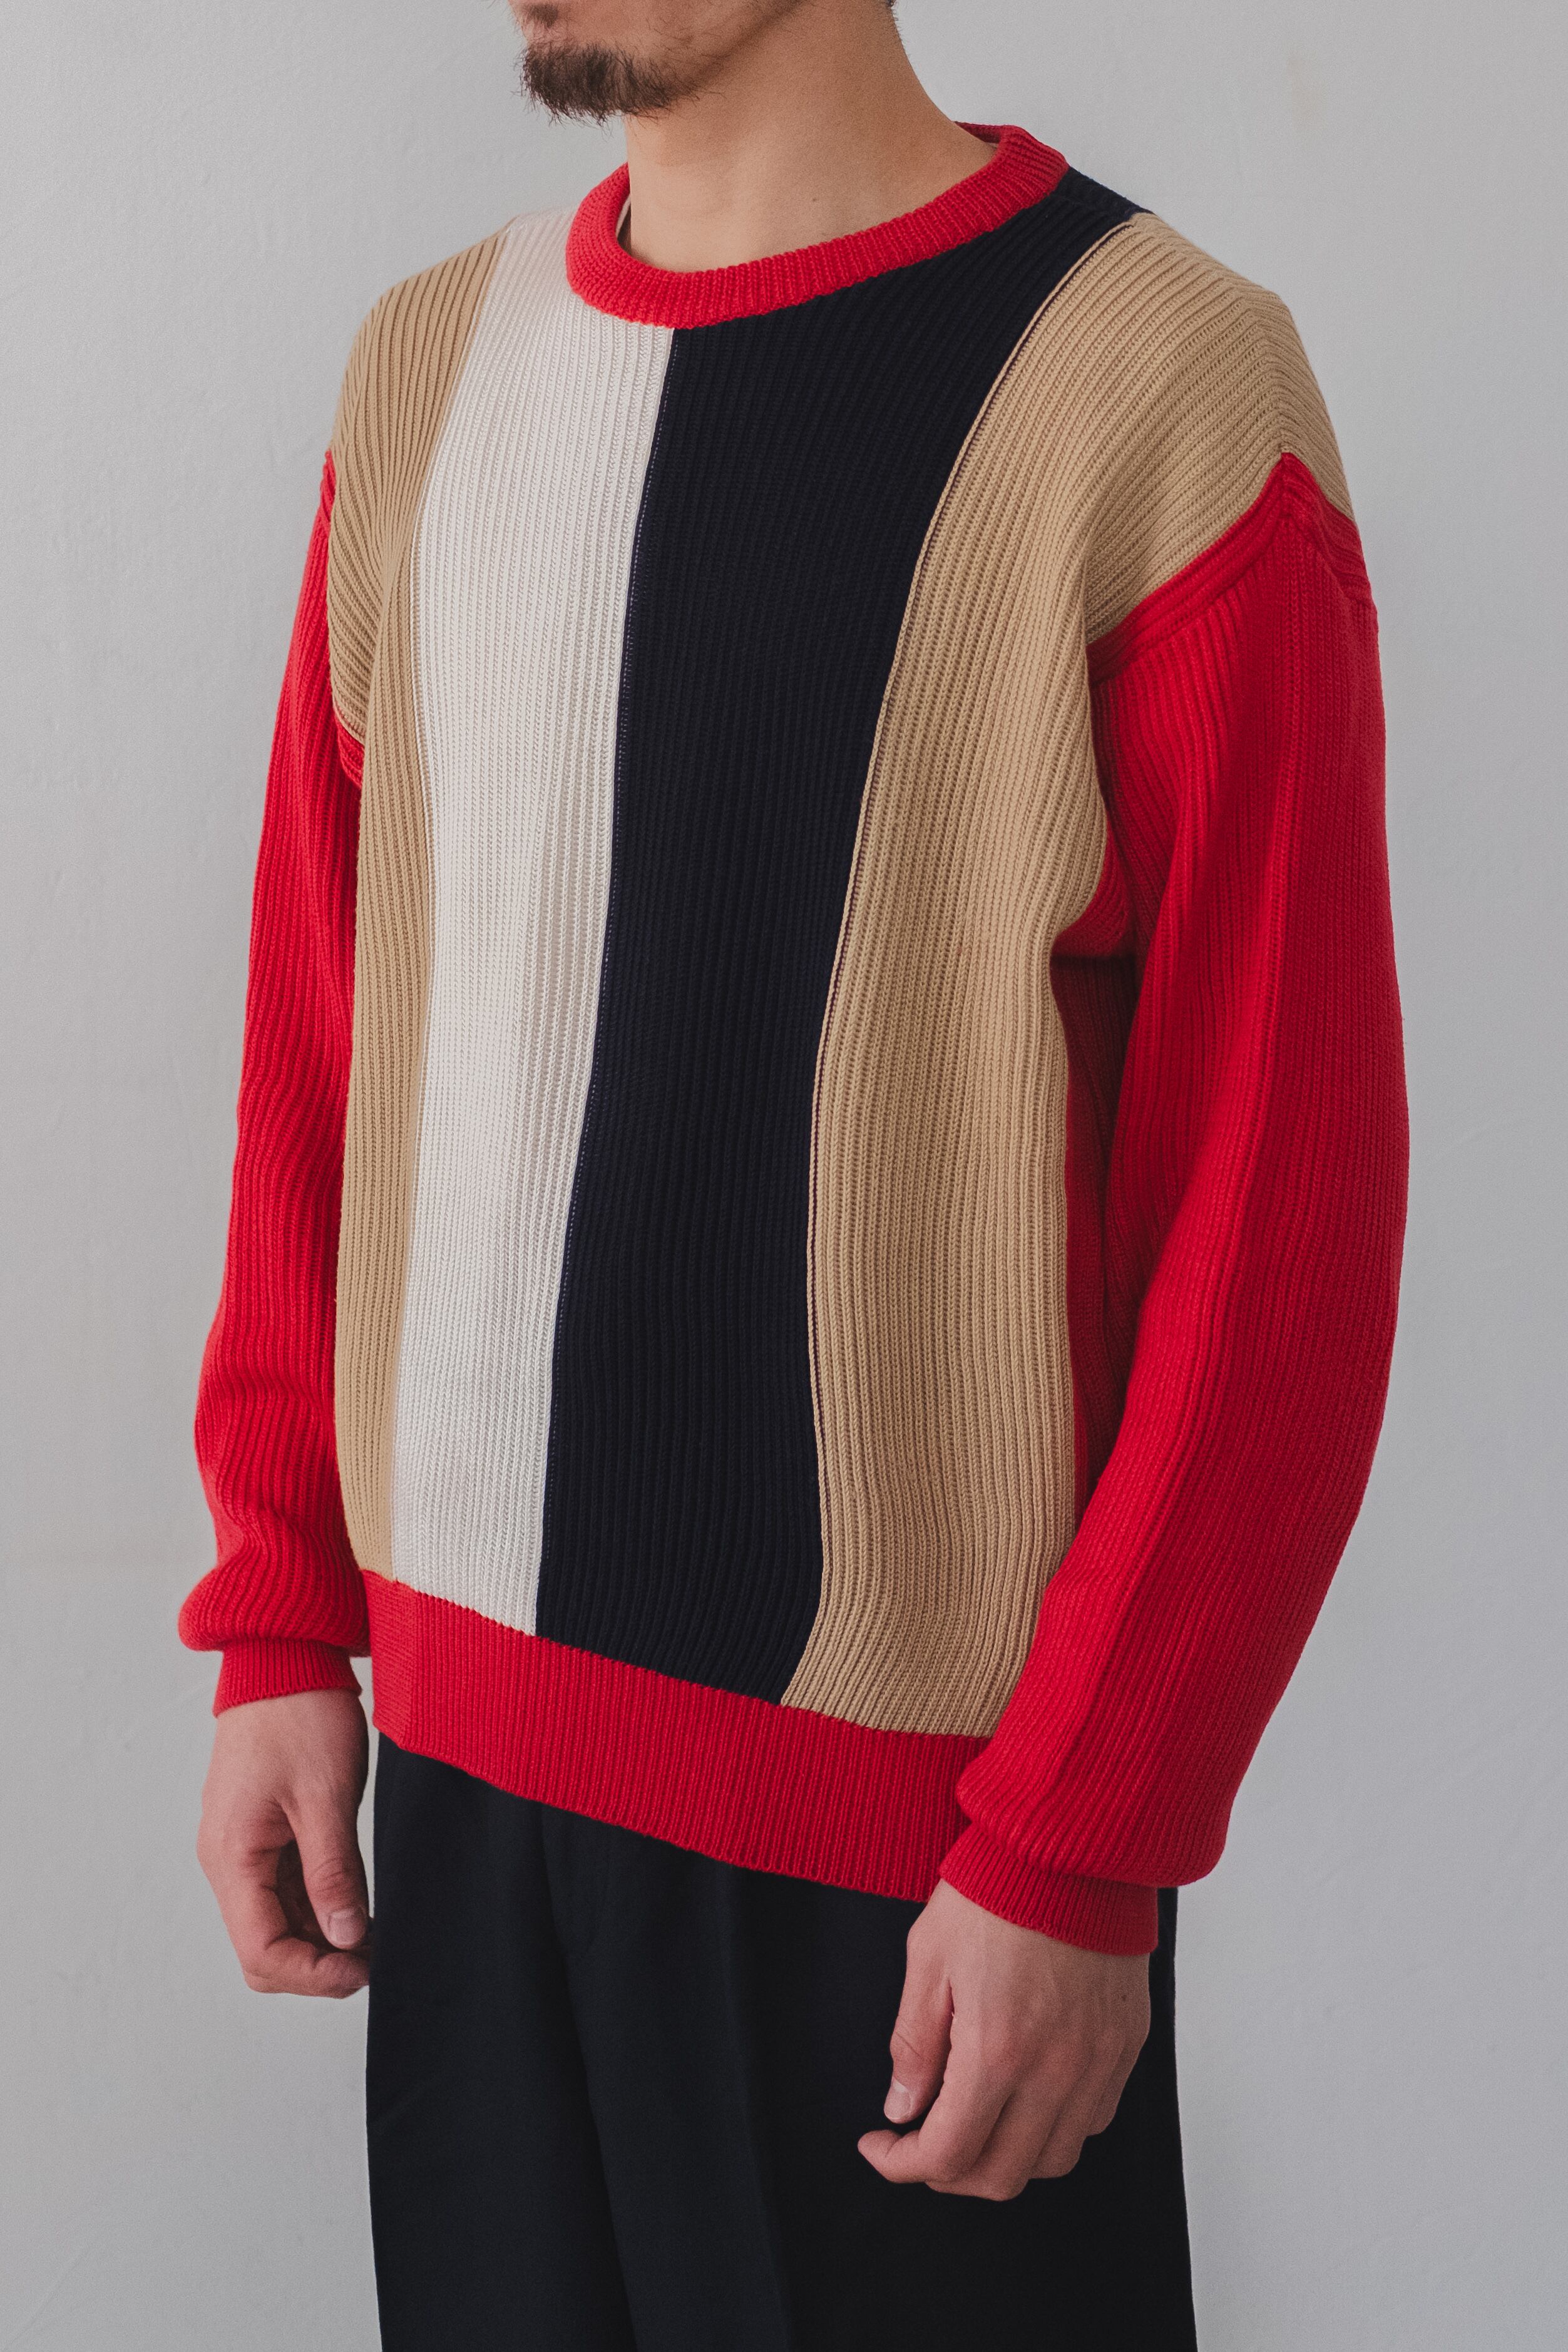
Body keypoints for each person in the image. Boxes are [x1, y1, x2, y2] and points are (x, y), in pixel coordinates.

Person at [181, 2, 1408, 2344]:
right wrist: (279, 1613)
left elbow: (1279, 1206)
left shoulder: (1150, 384)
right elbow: (326, 1043)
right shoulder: (427, 371)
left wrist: (1083, 1840)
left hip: (911, 1866)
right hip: (453, 1789)